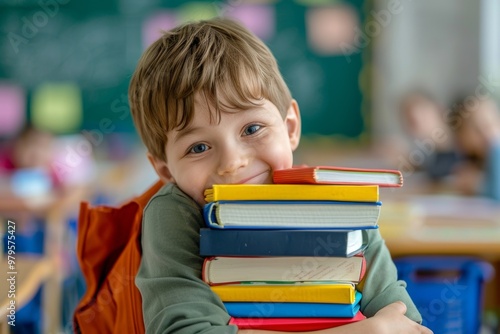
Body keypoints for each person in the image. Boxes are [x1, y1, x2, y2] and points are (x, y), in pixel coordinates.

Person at [129, 18, 432, 333]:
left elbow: (401, 318)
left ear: (290, 128)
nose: (233, 162)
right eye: (199, 147)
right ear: (166, 171)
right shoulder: (174, 213)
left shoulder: (339, 202)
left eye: (252, 128)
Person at [399, 90, 460, 183]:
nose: (417, 118)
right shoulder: (433, 152)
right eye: (410, 121)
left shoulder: (463, 145)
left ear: (439, 109)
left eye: (423, 113)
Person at [449, 96, 500, 200]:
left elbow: (497, 193)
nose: (485, 133)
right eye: (475, 128)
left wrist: (476, 184)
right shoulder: (482, 157)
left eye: (490, 123)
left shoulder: (495, 149)